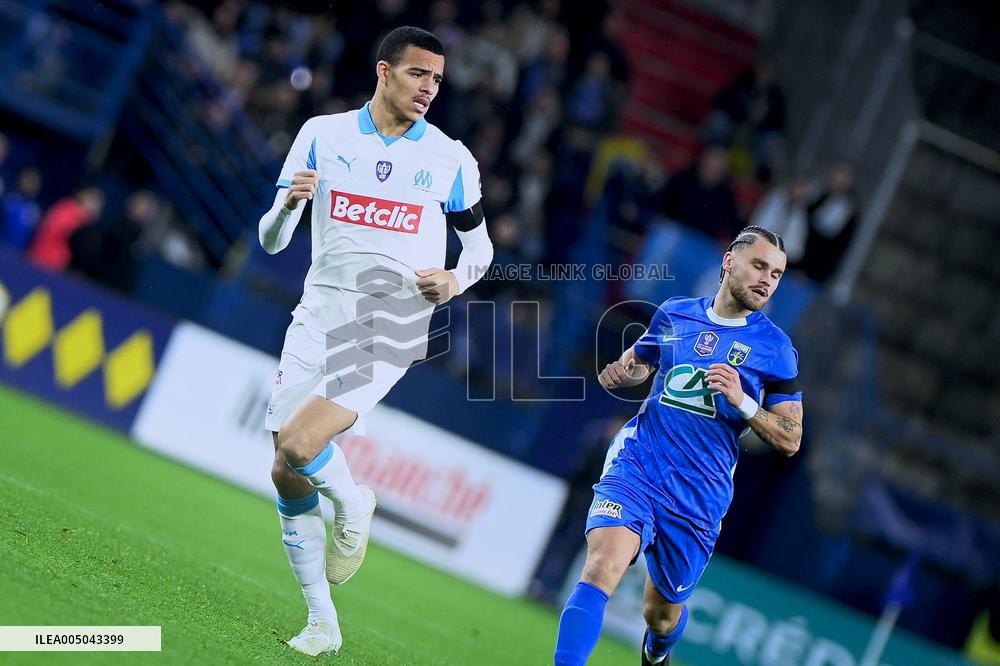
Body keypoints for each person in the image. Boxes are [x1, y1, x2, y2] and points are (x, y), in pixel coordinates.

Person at [256, 26, 493, 657]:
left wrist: (454, 277)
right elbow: (272, 240)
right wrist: (286, 209)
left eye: (437, 80)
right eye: (419, 75)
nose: (429, 89)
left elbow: (481, 249)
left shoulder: (450, 159)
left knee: (307, 444)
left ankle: (353, 502)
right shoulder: (322, 134)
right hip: (319, 310)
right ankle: (321, 622)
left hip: (392, 316)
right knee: (284, 466)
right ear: (384, 71)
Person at [553, 226, 804, 665]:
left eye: (777, 274)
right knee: (600, 569)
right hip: (640, 464)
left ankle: (658, 651)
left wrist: (743, 401)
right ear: (729, 262)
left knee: (661, 614)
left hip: (698, 494)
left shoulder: (776, 350)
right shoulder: (674, 314)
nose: (768, 279)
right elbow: (638, 363)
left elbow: (790, 438)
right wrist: (623, 372)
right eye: (760, 266)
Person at [28, 185, 104, 271]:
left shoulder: (67, 208)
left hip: (46, 263)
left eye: (99, 203)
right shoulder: (72, 214)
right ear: (82, 196)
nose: (97, 207)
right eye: (93, 200)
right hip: (46, 264)